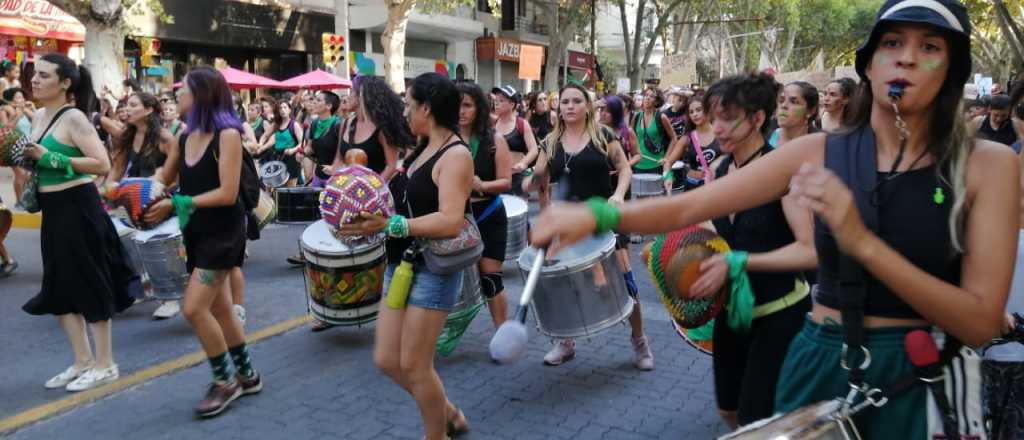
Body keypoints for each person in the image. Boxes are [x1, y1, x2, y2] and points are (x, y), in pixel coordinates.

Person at [532, 1, 1016, 437]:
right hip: (820, 362)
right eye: (893, 43)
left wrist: (859, 240)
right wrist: (595, 214)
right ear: (869, 65)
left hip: (922, 377)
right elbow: (690, 206)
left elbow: (980, 323)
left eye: (929, 46)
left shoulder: (988, 165)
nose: (907, 57)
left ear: (953, 69)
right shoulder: (819, 152)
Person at [339, 72, 473, 440]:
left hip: (433, 271)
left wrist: (389, 225)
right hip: (401, 266)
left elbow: (450, 221)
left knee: (416, 367)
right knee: (386, 359)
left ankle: (438, 434)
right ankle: (446, 412)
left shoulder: (456, 154)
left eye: (408, 104)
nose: (404, 110)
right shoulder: (422, 146)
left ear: (426, 108)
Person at [146, 66, 262, 417]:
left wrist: (177, 202)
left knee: (194, 308)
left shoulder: (227, 135)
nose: (174, 97)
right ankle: (248, 375)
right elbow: (164, 178)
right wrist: (126, 190)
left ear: (200, 96)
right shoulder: (184, 137)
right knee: (221, 309)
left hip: (224, 234)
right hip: (197, 232)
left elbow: (228, 194)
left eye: (182, 91)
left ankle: (225, 383)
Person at [21, 53, 135, 391]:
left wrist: (50, 157)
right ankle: (82, 361)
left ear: (65, 83)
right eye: (34, 75)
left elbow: (101, 164)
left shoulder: (74, 119)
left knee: (90, 281)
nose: (35, 80)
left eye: (43, 75)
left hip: (79, 207)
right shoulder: (39, 115)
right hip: (53, 208)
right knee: (59, 286)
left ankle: (106, 363)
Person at [523, 83, 654, 370]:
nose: (569, 106)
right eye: (565, 102)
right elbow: (540, 180)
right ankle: (565, 342)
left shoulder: (603, 135)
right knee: (564, 284)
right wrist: (532, 181)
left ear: (587, 106)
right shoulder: (551, 142)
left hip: (604, 217)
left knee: (624, 282)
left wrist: (618, 195)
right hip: (568, 221)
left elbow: (625, 168)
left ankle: (640, 341)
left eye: (576, 101)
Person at [305, 77, 413, 329]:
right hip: (346, 200)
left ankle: (388, 309)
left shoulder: (382, 127)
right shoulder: (347, 124)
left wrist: (370, 189)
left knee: (381, 255)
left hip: (378, 199)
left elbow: (391, 166)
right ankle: (331, 308)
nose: (347, 98)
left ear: (364, 96)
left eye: (352, 93)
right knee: (336, 249)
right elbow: (339, 160)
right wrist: (335, 178)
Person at [105, 92, 181, 319]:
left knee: (156, 246)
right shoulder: (125, 137)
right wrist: (108, 188)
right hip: (131, 200)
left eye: (133, 105)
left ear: (148, 110)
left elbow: (177, 173)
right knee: (123, 239)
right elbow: (115, 171)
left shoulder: (165, 137)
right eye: (126, 105)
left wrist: (159, 190)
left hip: (160, 199)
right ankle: (143, 287)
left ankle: (170, 298)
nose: (127, 109)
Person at [457, 82, 512, 329]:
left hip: (488, 214)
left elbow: (506, 182)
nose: (461, 110)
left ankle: (502, 333)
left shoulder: (494, 140)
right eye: (456, 105)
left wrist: (481, 185)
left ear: (478, 108)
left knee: (491, 280)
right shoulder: (443, 139)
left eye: (467, 105)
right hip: (455, 216)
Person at [491, 86, 539, 197]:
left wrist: (523, 163)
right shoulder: (492, 124)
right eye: (495, 101)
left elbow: (534, 149)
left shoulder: (521, 124)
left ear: (512, 104)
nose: (496, 104)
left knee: (517, 212)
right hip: (496, 178)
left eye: (501, 101)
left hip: (517, 178)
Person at [664, 98, 720, 191]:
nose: (695, 114)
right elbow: (668, 163)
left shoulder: (721, 133)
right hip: (693, 188)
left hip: (718, 188)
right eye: (691, 112)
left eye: (699, 110)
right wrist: (667, 177)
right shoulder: (687, 138)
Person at [632, 87, 678, 185]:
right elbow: (630, 139)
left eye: (651, 96)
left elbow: (674, 138)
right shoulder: (636, 117)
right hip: (638, 165)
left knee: (654, 197)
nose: (647, 98)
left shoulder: (661, 117)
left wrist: (666, 158)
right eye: (646, 95)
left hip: (655, 165)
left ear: (657, 101)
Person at [258, 100, 303, 187]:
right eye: (280, 108)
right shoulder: (276, 124)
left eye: (285, 107)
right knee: (275, 187)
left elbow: (302, 143)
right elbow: (265, 136)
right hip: (277, 157)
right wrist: (260, 143)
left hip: (291, 158)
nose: (282, 110)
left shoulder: (294, 124)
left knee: (290, 189)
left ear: (289, 110)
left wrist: (293, 150)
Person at [2, 87, 32, 203]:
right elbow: (5, 130)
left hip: (28, 148)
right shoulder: (4, 111)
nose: (22, 99)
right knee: (21, 173)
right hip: (12, 148)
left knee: (28, 175)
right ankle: (19, 202)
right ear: (11, 100)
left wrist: (30, 110)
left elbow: (36, 122)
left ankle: (25, 200)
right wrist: (17, 116)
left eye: (23, 97)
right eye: (19, 97)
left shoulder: (25, 111)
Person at [769, 81, 819, 148]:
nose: (784, 105)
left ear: (810, 111)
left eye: (793, 102)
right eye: (781, 100)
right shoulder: (764, 137)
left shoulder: (820, 146)